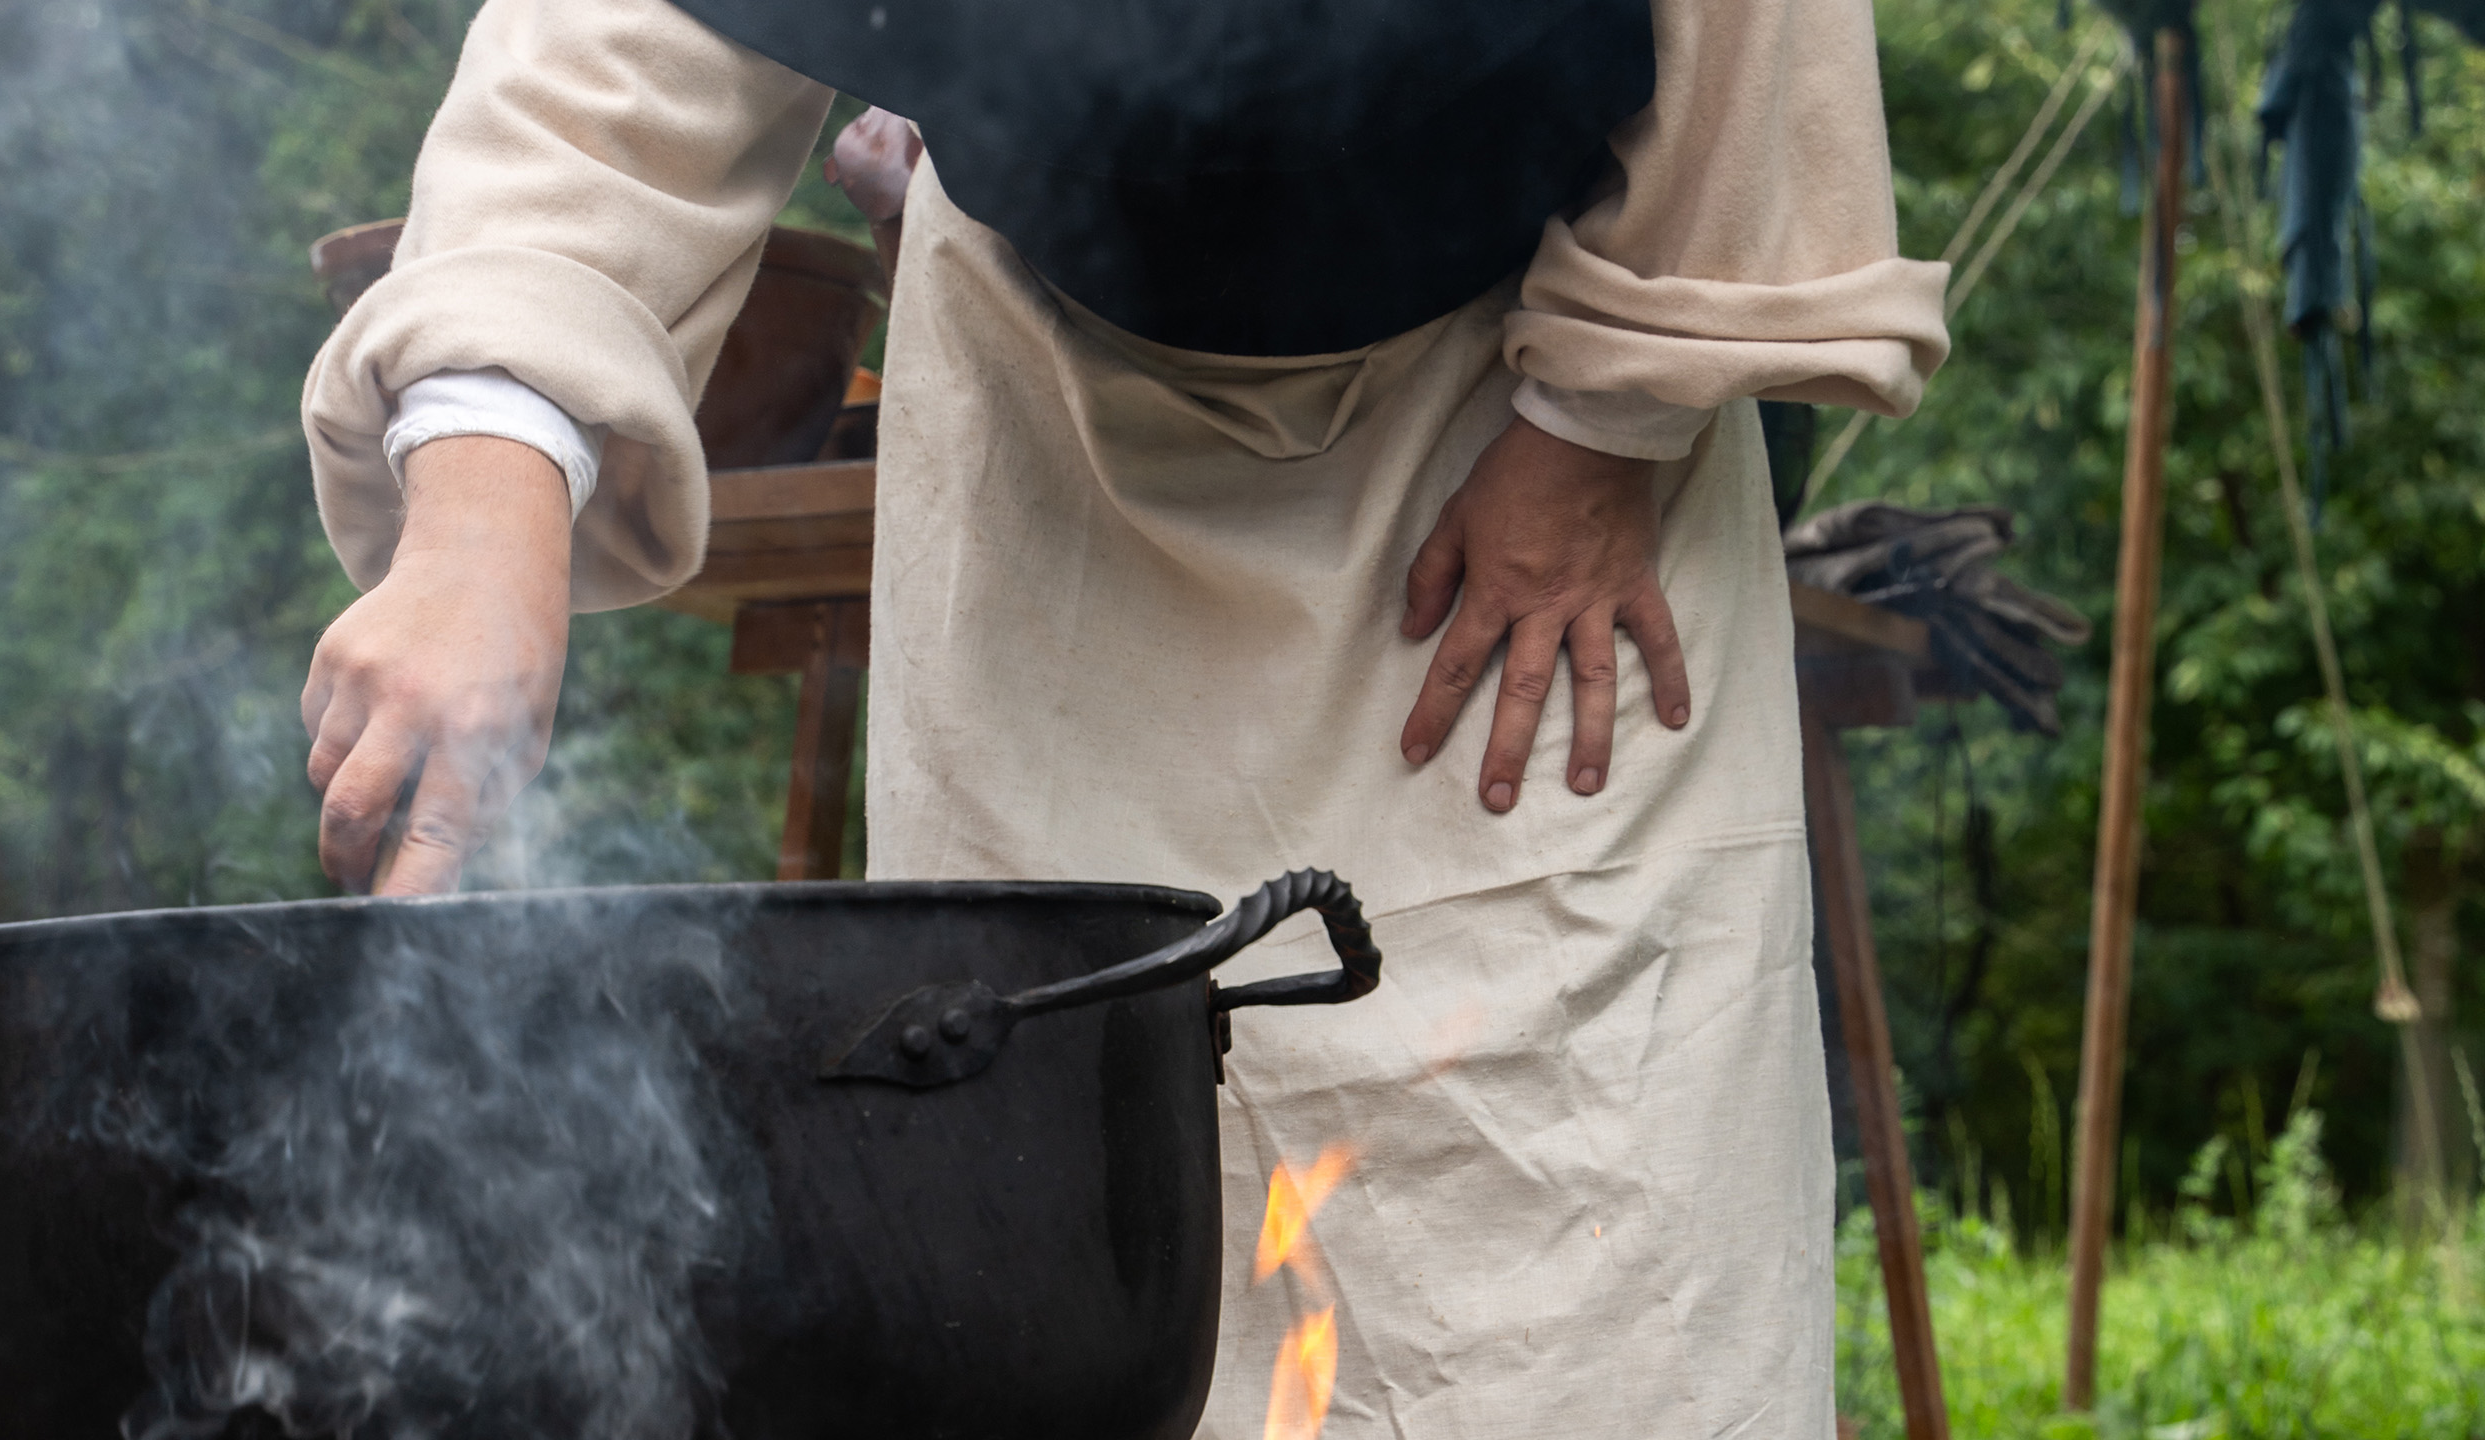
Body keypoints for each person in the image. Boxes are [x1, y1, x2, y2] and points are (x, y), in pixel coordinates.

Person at [299, 0, 1947, 1431]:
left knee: (1581, 1287)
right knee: (1054, 1218)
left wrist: (1603, 430)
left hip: (1527, 421)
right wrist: (481, 506)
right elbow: (618, 64)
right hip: (1055, 439)